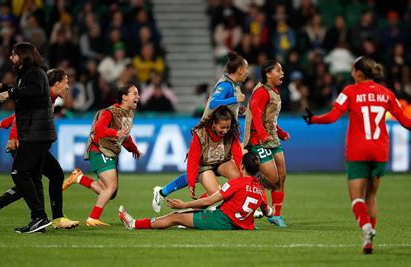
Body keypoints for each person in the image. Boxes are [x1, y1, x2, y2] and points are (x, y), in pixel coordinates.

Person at [301, 56, 411, 254]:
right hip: (380, 150)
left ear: (358, 73)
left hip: (358, 150)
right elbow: (404, 120)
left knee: (357, 198)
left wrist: (313, 119)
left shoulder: (349, 91)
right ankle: (369, 243)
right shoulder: (387, 94)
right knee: (371, 195)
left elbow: (332, 117)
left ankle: (366, 227)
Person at [152, 52, 249, 213]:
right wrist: (235, 101)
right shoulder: (225, 85)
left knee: (231, 176)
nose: (248, 72)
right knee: (203, 171)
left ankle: (163, 192)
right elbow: (213, 103)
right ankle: (174, 200)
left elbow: (223, 109)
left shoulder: (234, 85)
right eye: (246, 69)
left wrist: (238, 108)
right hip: (209, 135)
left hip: (221, 135)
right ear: (239, 69)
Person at [0, 68, 79, 230]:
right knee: (31, 182)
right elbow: (23, 111)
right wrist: (13, 136)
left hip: (33, 141)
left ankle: (54, 219)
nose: (68, 87)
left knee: (53, 175)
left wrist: (7, 120)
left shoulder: (51, 96)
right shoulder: (46, 95)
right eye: (66, 82)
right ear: (56, 83)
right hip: (24, 142)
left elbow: (24, 109)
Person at [0, 42, 56, 233]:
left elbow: (34, 93)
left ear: (24, 55)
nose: (11, 57)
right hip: (37, 131)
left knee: (19, 172)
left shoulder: (34, 72)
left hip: (37, 131)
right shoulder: (31, 73)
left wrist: (10, 92)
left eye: (14, 54)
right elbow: (30, 93)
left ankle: (39, 217)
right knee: (34, 176)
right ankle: (39, 221)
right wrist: (5, 87)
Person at [119, 152, 274, 230]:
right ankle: (189, 217)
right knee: (193, 211)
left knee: (175, 217)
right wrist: (273, 211)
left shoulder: (236, 183)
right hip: (240, 224)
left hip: (221, 221)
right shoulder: (260, 189)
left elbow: (209, 200)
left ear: (241, 166)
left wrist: (183, 205)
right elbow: (268, 212)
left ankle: (134, 224)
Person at [62, 84, 142, 226]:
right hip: (100, 149)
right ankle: (93, 218)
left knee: (110, 192)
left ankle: (78, 178)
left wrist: (133, 149)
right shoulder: (110, 112)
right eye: (134, 94)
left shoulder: (128, 113)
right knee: (110, 187)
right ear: (124, 97)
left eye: (138, 94)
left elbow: (124, 135)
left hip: (110, 152)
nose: (138, 96)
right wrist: (116, 133)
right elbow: (99, 129)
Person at [243, 60, 290, 228]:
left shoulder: (274, 91)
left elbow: (268, 118)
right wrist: (262, 134)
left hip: (272, 138)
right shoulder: (261, 91)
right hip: (258, 139)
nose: (282, 73)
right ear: (268, 74)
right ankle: (246, 182)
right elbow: (255, 111)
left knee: (281, 177)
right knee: (272, 178)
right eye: (278, 70)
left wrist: (281, 131)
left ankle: (276, 215)